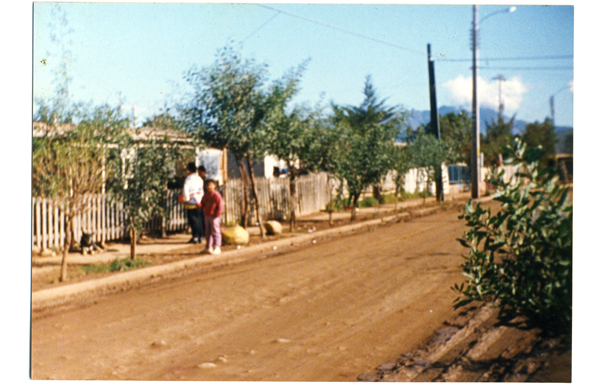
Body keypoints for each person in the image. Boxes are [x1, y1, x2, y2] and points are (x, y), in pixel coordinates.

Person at [199, 179, 224, 255]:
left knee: (215, 231)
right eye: (207, 185)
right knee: (208, 232)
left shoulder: (216, 195)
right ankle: (208, 247)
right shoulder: (206, 195)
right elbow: (202, 204)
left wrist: (218, 214)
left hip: (214, 216)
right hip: (207, 215)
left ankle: (217, 247)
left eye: (211, 185)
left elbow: (221, 205)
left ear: (214, 186)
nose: (209, 187)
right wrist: (198, 205)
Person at [180, 162, 204, 244]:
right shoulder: (199, 179)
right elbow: (201, 191)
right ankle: (200, 236)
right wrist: (200, 200)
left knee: (192, 220)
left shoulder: (188, 179)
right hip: (198, 201)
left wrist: (186, 199)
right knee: (199, 219)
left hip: (191, 201)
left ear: (189, 170)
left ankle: (195, 237)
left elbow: (185, 190)